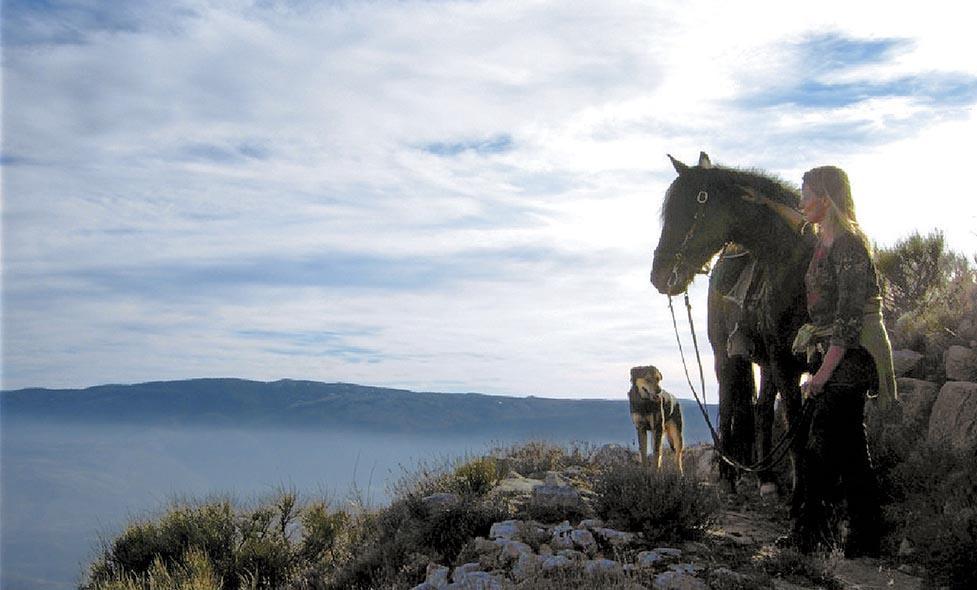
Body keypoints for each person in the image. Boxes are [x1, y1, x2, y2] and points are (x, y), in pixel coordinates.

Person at [741, 167, 897, 557]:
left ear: (826, 198)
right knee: (851, 453)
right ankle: (866, 538)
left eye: (807, 193)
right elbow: (796, 217)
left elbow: (847, 321)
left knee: (819, 448)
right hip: (837, 358)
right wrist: (763, 202)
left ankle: (811, 539)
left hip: (851, 359)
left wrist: (820, 376)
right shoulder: (823, 239)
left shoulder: (848, 246)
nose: (801, 200)